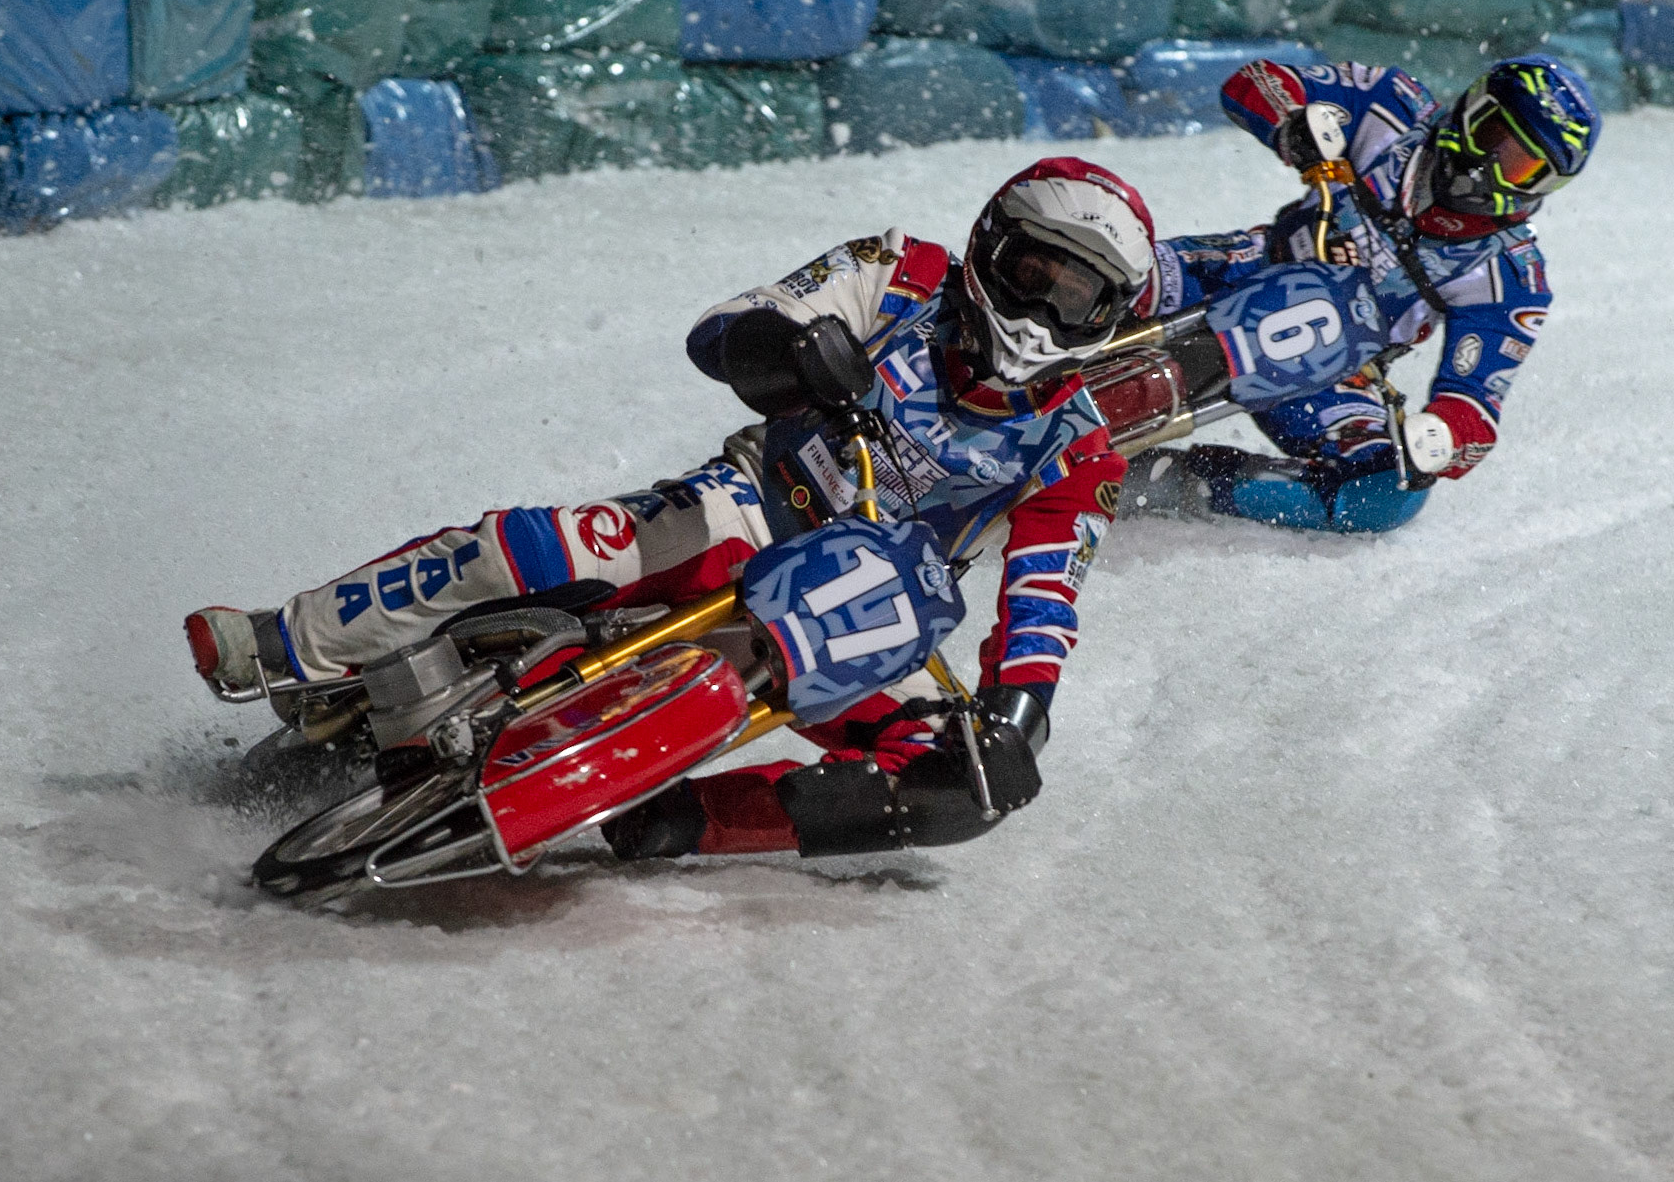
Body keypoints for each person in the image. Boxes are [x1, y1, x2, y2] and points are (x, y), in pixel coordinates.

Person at [187, 157, 1155, 861]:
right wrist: (794, 353)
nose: (1044, 316)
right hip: (743, 514)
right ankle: (288, 637)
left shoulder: (1081, 449)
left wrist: (1018, 714)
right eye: (1037, 275)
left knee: (966, 790)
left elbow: (1045, 602)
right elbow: (726, 326)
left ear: (1111, 320)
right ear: (992, 246)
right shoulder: (901, 271)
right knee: (557, 543)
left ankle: (675, 821)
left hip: (863, 626)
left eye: (1081, 300)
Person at [1124, 54, 1601, 534]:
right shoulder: (1393, 106)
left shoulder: (1513, 277)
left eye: (1520, 167)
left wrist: (1436, 439)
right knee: (1116, 265)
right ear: (1472, 107)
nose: (1490, 170)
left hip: (1327, 374)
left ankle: (1180, 482)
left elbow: (1474, 409)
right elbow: (1256, 80)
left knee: (1385, 495)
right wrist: (1293, 126)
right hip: (1240, 271)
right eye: (1493, 138)